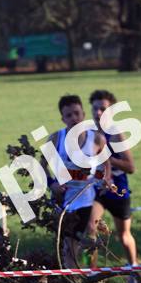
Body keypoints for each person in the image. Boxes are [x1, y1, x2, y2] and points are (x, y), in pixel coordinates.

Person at [41, 95, 112, 269]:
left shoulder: (96, 140)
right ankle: (72, 280)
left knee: (88, 234)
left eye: (76, 113)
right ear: (63, 119)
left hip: (87, 197)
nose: (73, 118)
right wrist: (52, 183)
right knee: (69, 245)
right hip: (64, 199)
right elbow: (42, 165)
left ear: (83, 114)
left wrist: (105, 179)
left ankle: (92, 272)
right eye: (69, 115)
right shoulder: (56, 139)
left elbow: (106, 164)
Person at [87, 90, 139, 281]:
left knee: (123, 236)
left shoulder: (116, 135)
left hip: (117, 191)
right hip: (97, 190)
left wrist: (107, 157)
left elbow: (130, 167)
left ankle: (133, 271)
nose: (98, 112)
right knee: (89, 229)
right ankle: (90, 275)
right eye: (95, 108)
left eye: (103, 109)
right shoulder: (89, 134)